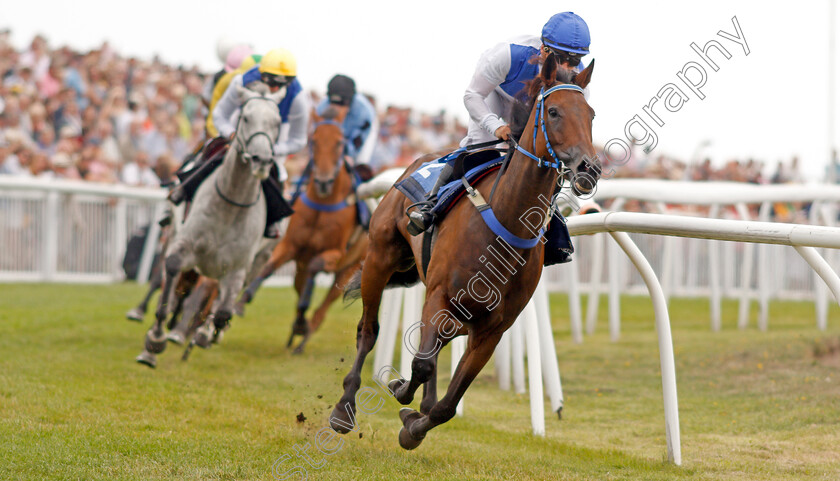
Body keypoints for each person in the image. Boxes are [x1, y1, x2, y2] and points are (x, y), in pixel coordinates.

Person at [407, 11, 591, 235]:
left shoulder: (578, 81)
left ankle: (552, 226)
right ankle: (431, 206)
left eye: (574, 61)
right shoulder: (508, 54)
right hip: (495, 96)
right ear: (544, 49)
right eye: (561, 58)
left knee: (548, 159)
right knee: (479, 147)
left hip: (534, 111)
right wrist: (495, 126)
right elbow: (472, 95)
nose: (567, 67)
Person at [170, 48, 308, 238]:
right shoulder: (241, 81)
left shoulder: (299, 97)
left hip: (273, 137)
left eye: (282, 84)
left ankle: (272, 221)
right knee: (213, 153)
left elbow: (299, 140)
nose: (275, 88)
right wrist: (231, 134)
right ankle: (185, 188)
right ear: (262, 74)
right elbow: (220, 115)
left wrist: (271, 149)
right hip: (241, 125)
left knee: (278, 173)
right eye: (271, 82)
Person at [315, 74, 377, 170]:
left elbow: (358, 141)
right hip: (337, 138)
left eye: (341, 104)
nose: (337, 108)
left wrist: (349, 155)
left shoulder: (364, 111)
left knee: (359, 163)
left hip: (363, 135)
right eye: (334, 103)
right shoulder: (321, 107)